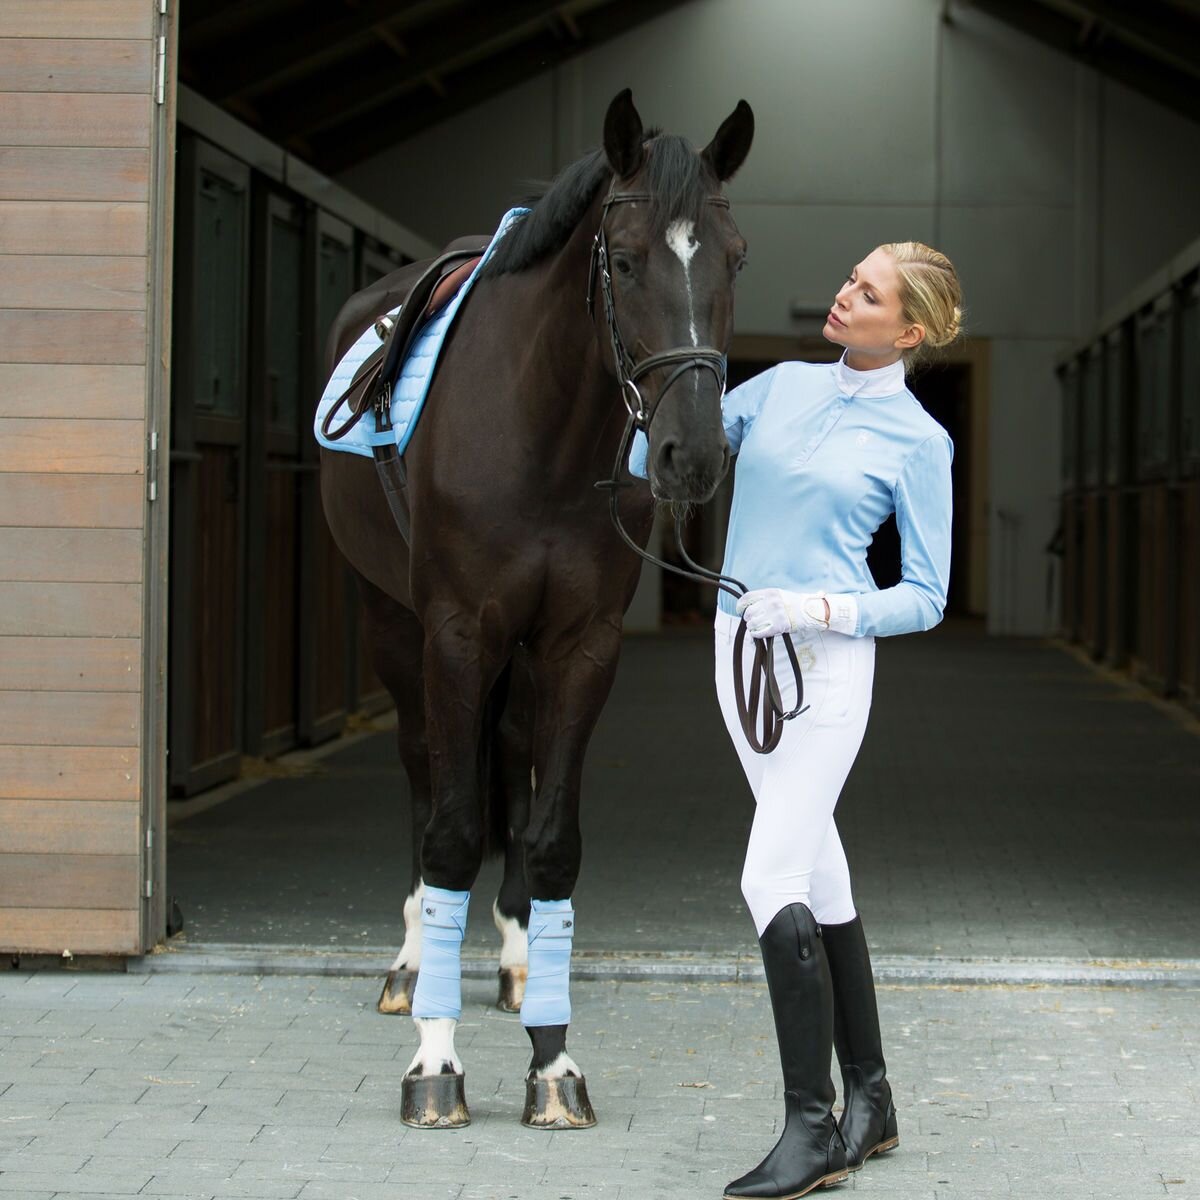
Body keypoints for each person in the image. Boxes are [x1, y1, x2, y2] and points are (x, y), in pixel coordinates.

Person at [636, 240, 963, 1199]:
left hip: (824, 664)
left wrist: (824, 608)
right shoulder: (774, 387)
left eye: (868, 291)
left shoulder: (919, 440)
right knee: (820, 870)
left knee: (768, 871)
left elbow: (930, 595)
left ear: (907, 330)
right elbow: (674, 449)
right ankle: (873, 1098)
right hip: (738, 649)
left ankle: (810, 1128)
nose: (843, 292)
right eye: (848, 275)